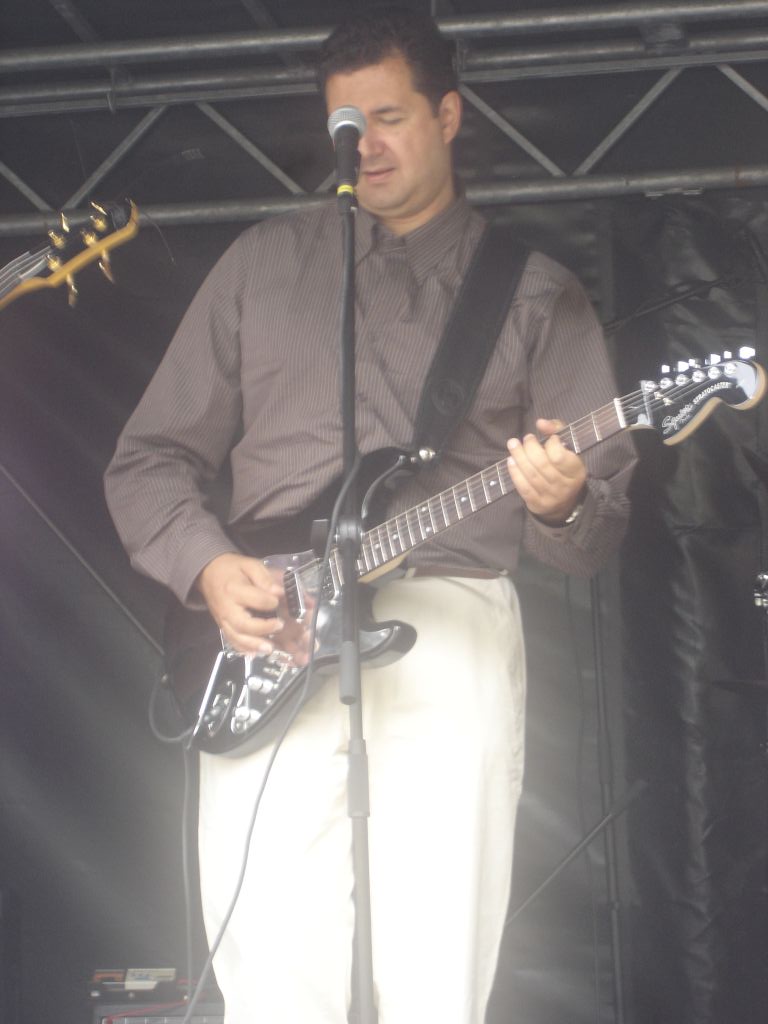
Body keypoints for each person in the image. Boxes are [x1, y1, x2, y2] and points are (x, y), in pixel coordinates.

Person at [105, 9, 636, 1023]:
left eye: (389, 118)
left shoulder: (534, 292)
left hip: (448, 618)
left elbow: (595, 532)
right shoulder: (262, 265)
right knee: (271, 967)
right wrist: (209, 566)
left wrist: (563, 501)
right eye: (346, 125)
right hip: (272, 629)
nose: (365, 146)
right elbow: (148, 460)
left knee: (435, 962)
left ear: (449, 115)